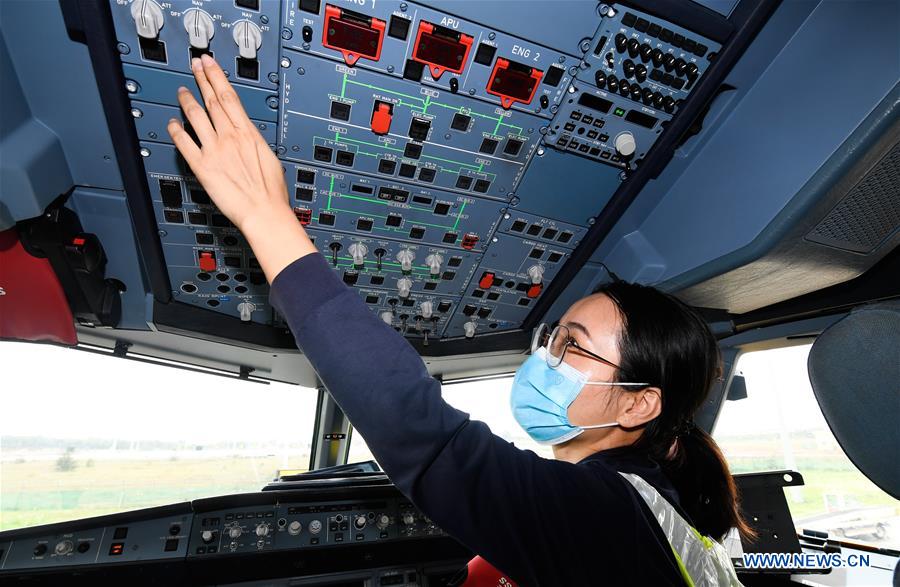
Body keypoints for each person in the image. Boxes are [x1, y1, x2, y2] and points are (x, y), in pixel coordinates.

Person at [167, 54, 753, 586]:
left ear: (636, 404)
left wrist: (265, 216)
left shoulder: (613, 513)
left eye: (571, 347)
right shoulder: (647, 507)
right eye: (550, 338)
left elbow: (423, 434)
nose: (543, 357)